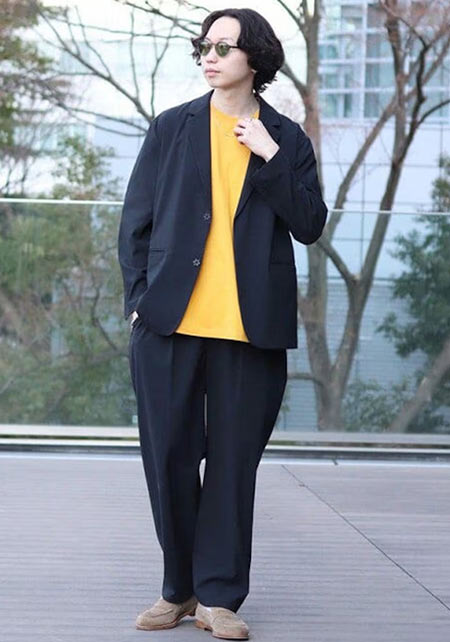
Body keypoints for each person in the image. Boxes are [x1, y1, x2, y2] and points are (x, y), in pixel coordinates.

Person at [117, 7, 327, 640]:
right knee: (169, 459)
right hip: (169, 325)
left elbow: (309, 225)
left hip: (250, 331)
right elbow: (136, 222)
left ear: (254, 59)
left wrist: (269, 157)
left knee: (233, 468)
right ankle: (178, 590)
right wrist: (139, 298)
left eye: (224, 47)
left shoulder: (285, 139)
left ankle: (218, 598)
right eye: (205, 46)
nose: (209, 56)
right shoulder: (172, 127)